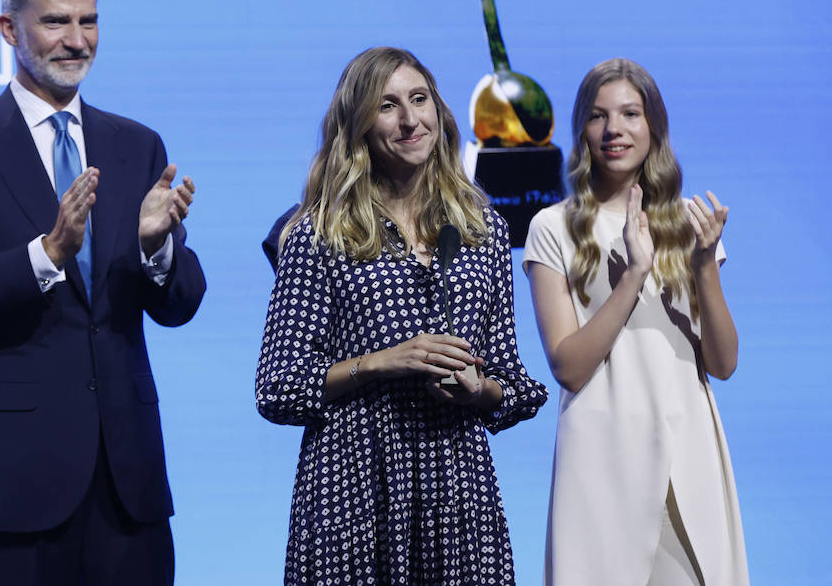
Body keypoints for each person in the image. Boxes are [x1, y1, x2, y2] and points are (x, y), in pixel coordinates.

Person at [0, 0, 206, 586]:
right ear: (9, 29)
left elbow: (180, 305)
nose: (77, 41)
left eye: (89, 21)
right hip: (15, 486)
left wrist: (157, 247)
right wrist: (45, 256)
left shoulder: (136, 144)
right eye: (55, 23)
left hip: (129, 482)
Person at [256, 46, 546, 585]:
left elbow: (514, 383)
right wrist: (385, 361)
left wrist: (476, 388)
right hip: (352, 492)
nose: (411, 120)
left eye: (420, 99)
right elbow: (277, 388)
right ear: (359, 125)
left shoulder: (483, 229)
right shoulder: (319, 233)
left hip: (457, 496)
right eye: (388, 106)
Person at [523, 58, 747, 585]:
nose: (614, 129)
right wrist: (632, 277)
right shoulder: (553, 227)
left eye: (630, 113)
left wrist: (703, 266)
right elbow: (569, 367)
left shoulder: (691, 225)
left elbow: (725, 362)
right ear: (582, 130)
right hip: (601, 461)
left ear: (654, 128)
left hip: (688, 456)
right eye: (599, 116)